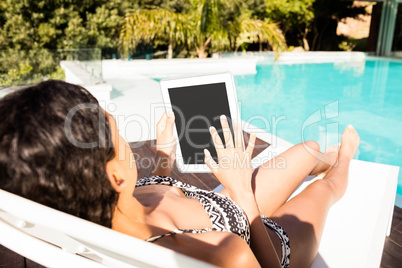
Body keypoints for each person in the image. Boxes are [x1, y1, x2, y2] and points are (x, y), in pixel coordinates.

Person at [0, 80, 360, 267]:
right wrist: (243, 193)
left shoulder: (102, 205)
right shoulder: (224, 255)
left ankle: (320, 157)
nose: (124, 136)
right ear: (116, 177)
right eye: (117, 132)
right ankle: (342, 160)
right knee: (325, 188)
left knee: (308, 150)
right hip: (267, 240)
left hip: (223, 207)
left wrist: (162, 159)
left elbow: (150, 194)